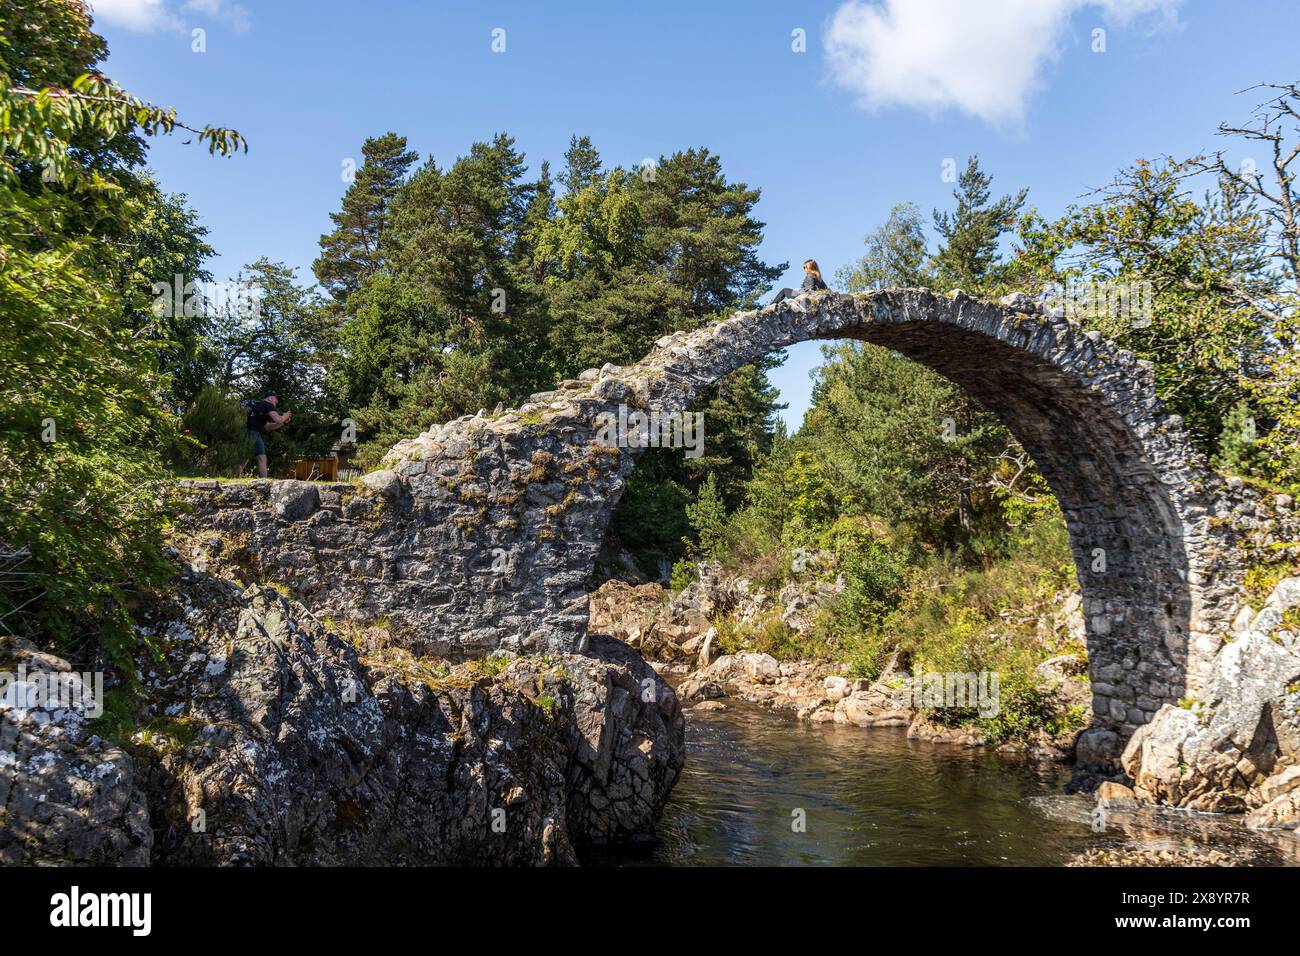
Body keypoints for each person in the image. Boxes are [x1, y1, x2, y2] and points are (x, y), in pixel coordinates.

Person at [244, 391, 291, 478]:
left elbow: (267, 427)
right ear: (270, 398)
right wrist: (285, 416)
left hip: (245, 431)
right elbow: (278, 419)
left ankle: (233, 476)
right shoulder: (268, 405)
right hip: (253, 431)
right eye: (276, 399)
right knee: (261, 457)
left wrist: (283, 422)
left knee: (244, 456)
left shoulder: (258, 406)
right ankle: (264, 481)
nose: (276, 402)